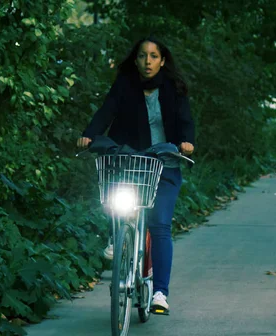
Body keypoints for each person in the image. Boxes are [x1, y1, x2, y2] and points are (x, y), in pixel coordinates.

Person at [77, 36, 195, 314]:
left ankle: (160, 294)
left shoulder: (173, 88)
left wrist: (187, 142)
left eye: (154, 56)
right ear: (136, 59)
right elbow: (106, 111)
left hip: (165, 163)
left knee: (160, 225)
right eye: (142, 56)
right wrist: (89, 134)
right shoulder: (125, 85)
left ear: (162, 61)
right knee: (115, 200)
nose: (148, 61)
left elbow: (186, 120)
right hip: (130, 160)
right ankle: (116, 237)